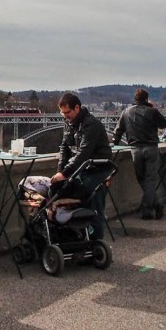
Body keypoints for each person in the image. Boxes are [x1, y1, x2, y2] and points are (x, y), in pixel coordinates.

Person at [51, 93, 113, 242]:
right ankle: (78, 239)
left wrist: (65, 172)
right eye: (63, 113)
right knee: (77, 205)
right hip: (82, 170)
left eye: (68, 112)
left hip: (98, 171)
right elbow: (64, 148)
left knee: (95, 208)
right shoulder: (69, 123)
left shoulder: (91, 124)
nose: (65, 116)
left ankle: (96, 242)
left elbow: (84, 153)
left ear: (77, 108)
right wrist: (60, 170)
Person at [112, 88, 166, 220]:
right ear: (147, 99)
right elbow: (163, 124)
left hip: (135, 149)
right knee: (150, 180)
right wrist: (152, 108)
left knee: (142, 179)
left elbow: (118, 130)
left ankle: (154, 205)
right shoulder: (152, 111)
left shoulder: (126, 112)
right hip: (151, 148)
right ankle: (150, 208)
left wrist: (114, 143)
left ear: (135, 99)